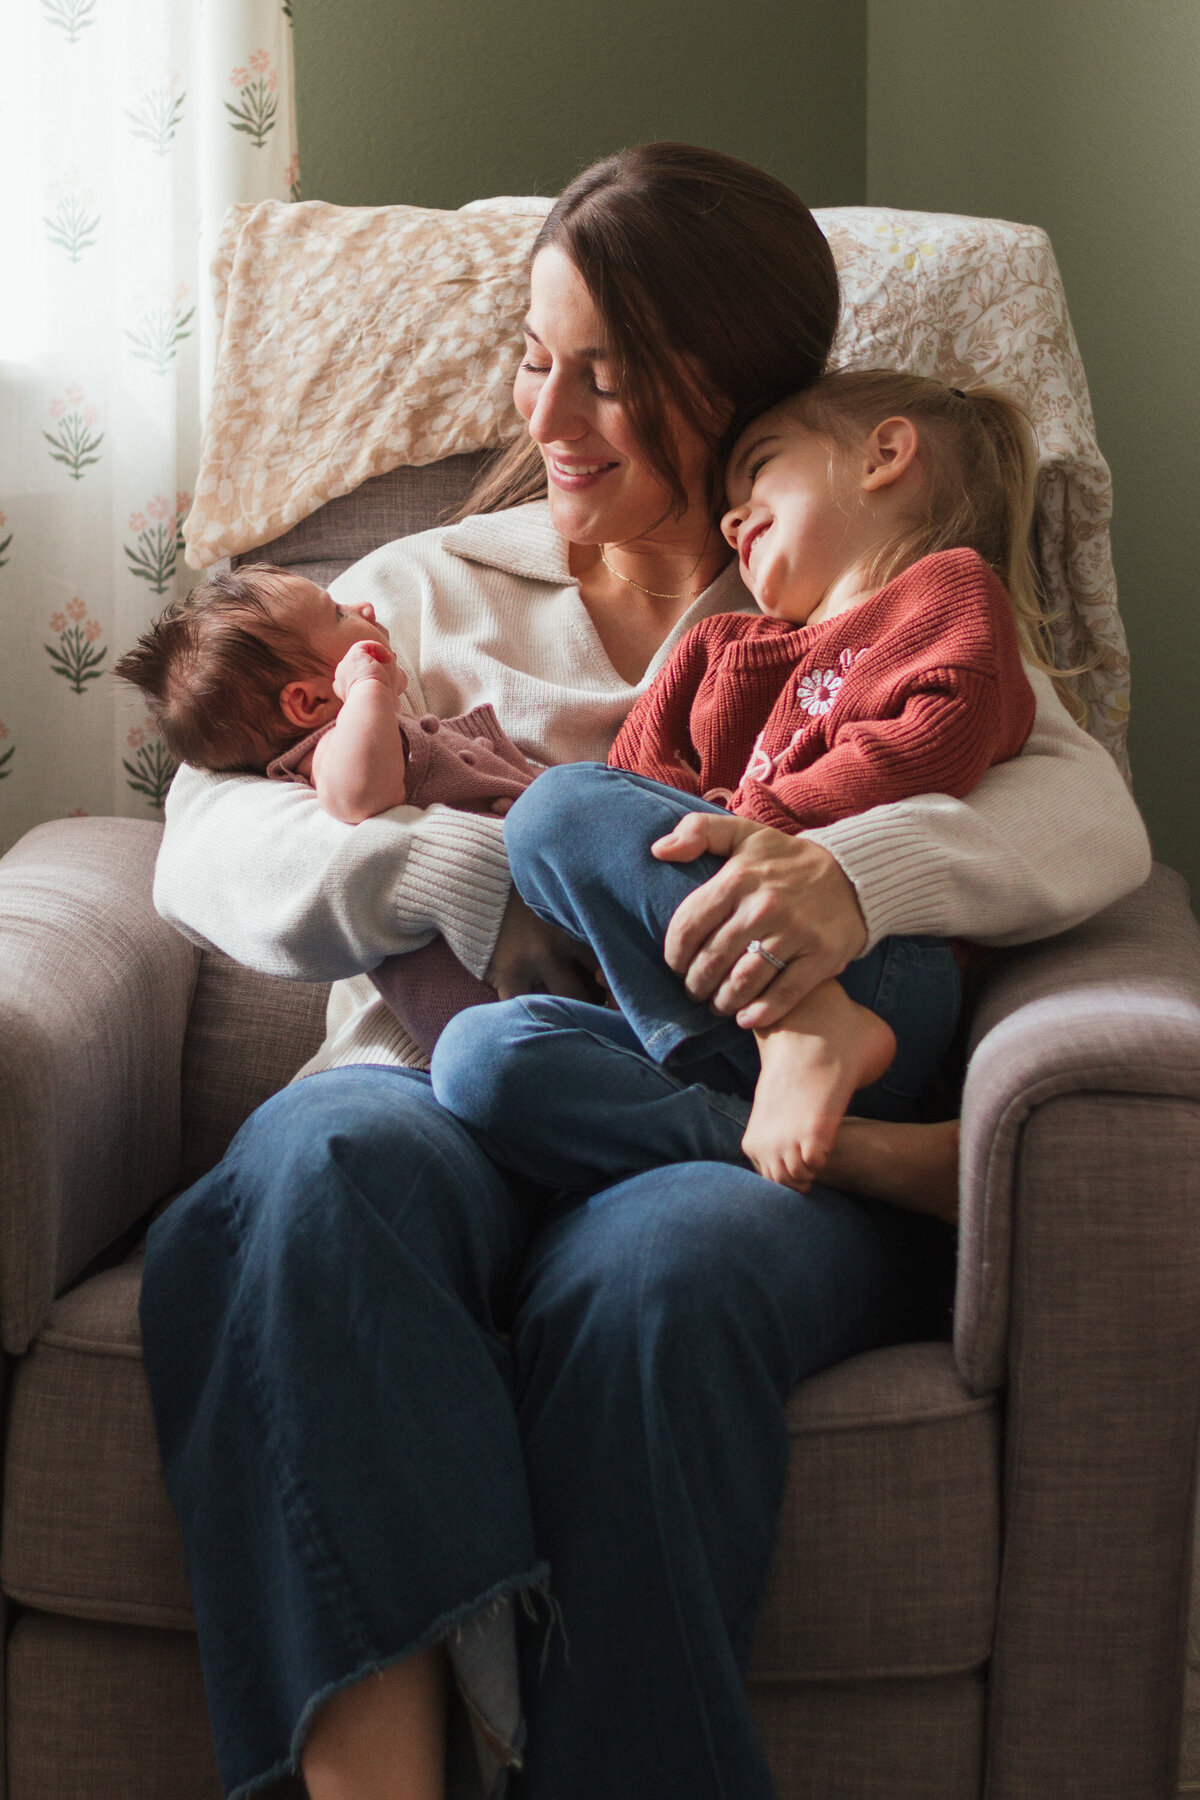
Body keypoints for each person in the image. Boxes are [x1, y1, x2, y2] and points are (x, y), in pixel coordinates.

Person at [140, 143, 1151, 1800]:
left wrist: (849, 879)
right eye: (536, 360)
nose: (550, 417)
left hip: (723, 1139)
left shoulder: (848, 584)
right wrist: (456, 874)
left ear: (738, 391)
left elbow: (1090, 812)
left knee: (654, 1285)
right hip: (444, 1094)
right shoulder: (414, 591)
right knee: (317, 1172)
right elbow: (200, 839)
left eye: (609, 380)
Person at [431, 370, 1045, 1198]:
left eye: (759, 470)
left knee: (555, 807)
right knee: (479, 1059)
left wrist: (755, 823)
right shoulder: (717, 647)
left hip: (869, 968)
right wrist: (682, 844)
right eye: (727, 502)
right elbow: (634, 791)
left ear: (886, 456)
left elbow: (947, 731)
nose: (731, 518)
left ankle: (810, 1022)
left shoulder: (945, 593)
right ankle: (859, 1154)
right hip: (706, 1009)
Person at [114, 566, 546, 1053]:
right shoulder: (326, 753)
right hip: (480, 998)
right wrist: (368, 688)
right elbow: (362, 795)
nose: (365, 607)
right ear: (310, 701)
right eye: (339, 614)